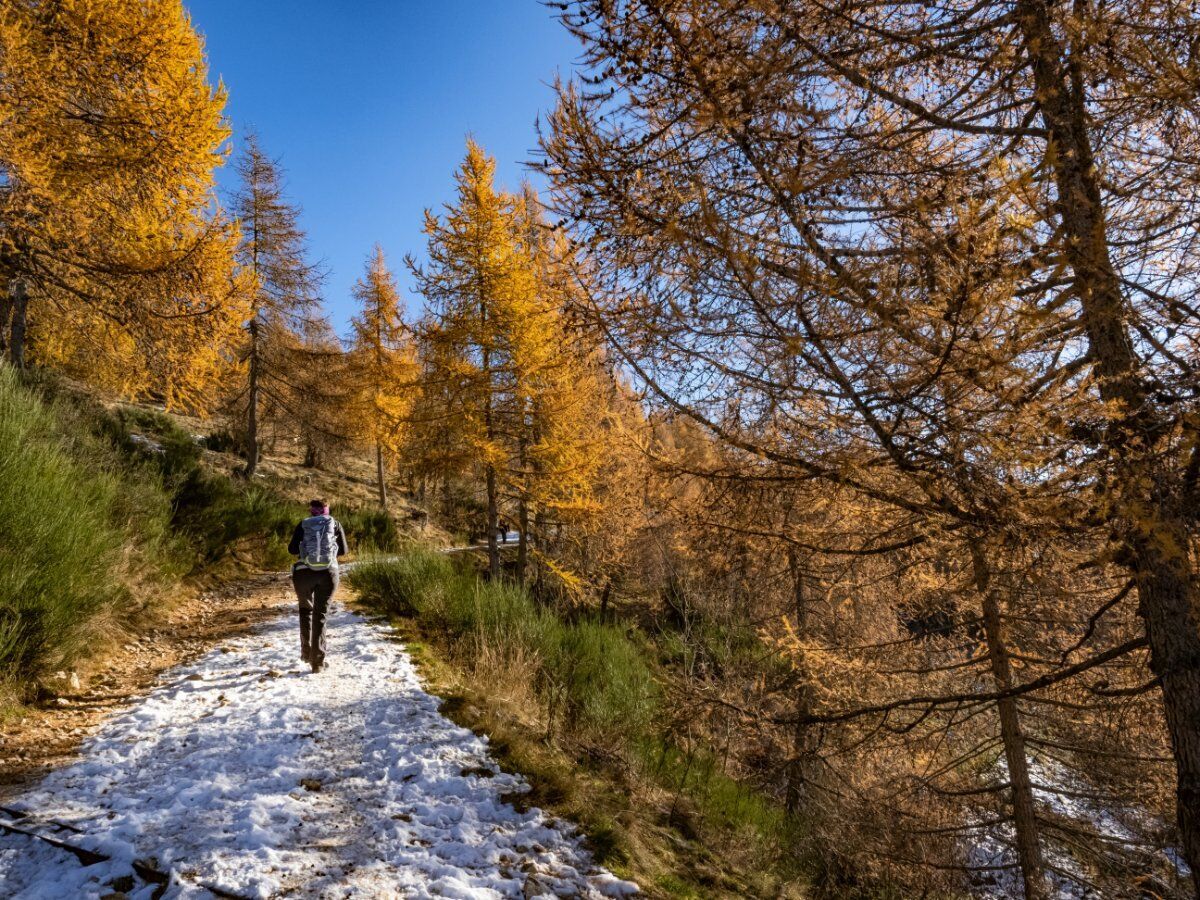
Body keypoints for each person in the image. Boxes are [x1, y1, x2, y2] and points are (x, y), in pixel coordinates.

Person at [287, 498, 347, 673]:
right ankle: (318, 663)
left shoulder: (303, 524)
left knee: (306, 610)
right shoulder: (335, 524)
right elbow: (343, 551)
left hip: (303, 574)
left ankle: (306, 654)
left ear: (311, 510)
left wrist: (307, 550)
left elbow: (291, 549)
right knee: (320, 614)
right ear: (327, 510)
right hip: (328, 573)